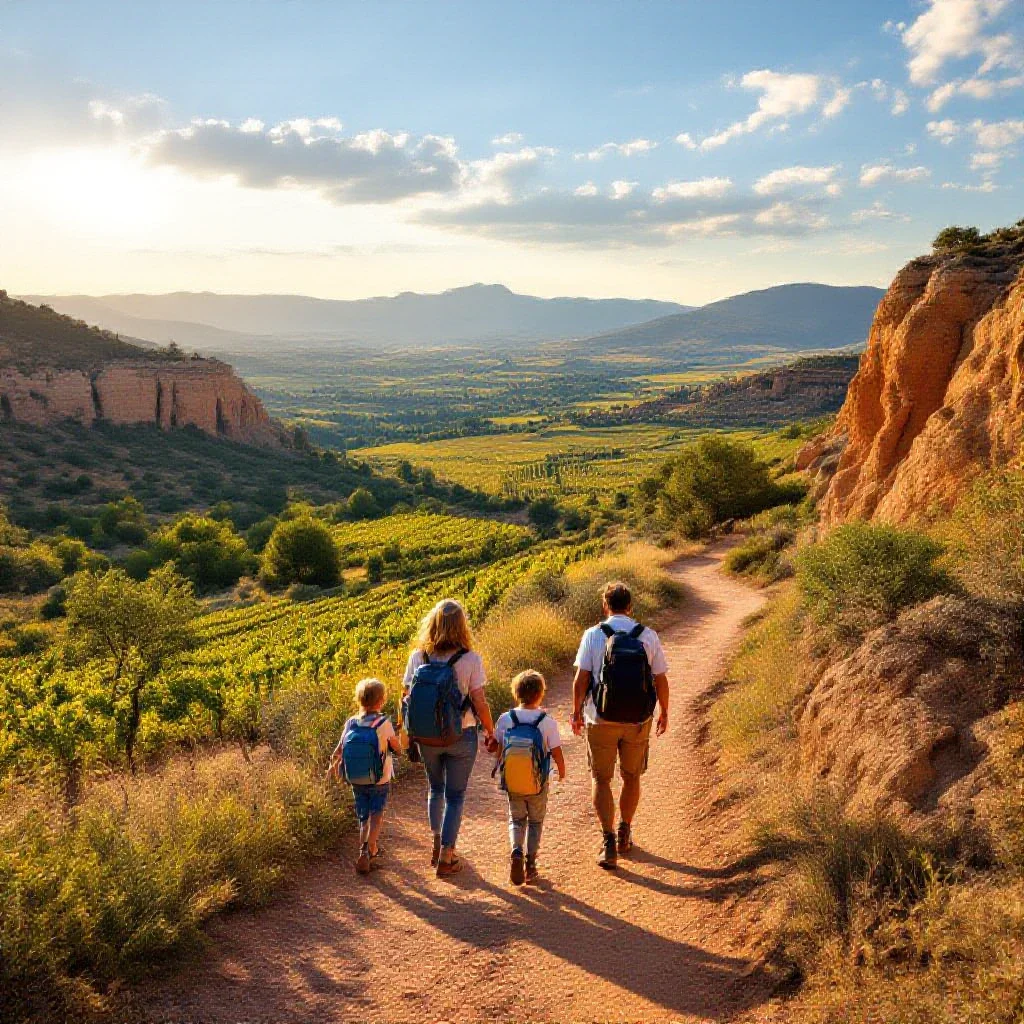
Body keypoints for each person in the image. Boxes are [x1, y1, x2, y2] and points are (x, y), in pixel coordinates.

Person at [569, 581, 670, 870]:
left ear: (605, 606)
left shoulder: (592, 635)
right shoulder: (647, 636)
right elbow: (660, 679)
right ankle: (625, 830)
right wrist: (664, 712)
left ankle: (608, 841)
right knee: (632, 776)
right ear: (631, 606)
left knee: (601, 780)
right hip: (638, 719)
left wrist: (576, 713)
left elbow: (581, 679)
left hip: (601, 718)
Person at [403, 599, 496, 877]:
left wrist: (408, 735)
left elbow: (406, 697)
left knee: (435, 789)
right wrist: (491, 731)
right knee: (455, 796)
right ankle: (447, 854)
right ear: (462, 626)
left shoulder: (418, 657)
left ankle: (436, 843)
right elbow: (479, 702)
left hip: (426, 737)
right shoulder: (470, 659)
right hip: (461, 735)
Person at [492, 669, 566, 886]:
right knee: (535, 821)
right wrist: (561, 771)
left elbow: (498, 747)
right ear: (540, 694)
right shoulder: (546, 721)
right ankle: (530, 864)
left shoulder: (506, 719)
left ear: (516, 692)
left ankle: (516, 850)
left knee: (516, 819)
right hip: (538, 783)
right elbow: (557, 751)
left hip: (513, 781)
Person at [329, 677, 402, 875]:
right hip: (380, 779)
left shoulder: (351, 722)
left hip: (356, 779)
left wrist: (333, 766)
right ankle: (370, 849)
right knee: (376, 815)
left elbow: (338, 749)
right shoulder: (383, 723)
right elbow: (396, 747)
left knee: (363, 817)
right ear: (381, 701)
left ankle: (365, 848)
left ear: (359, 700)